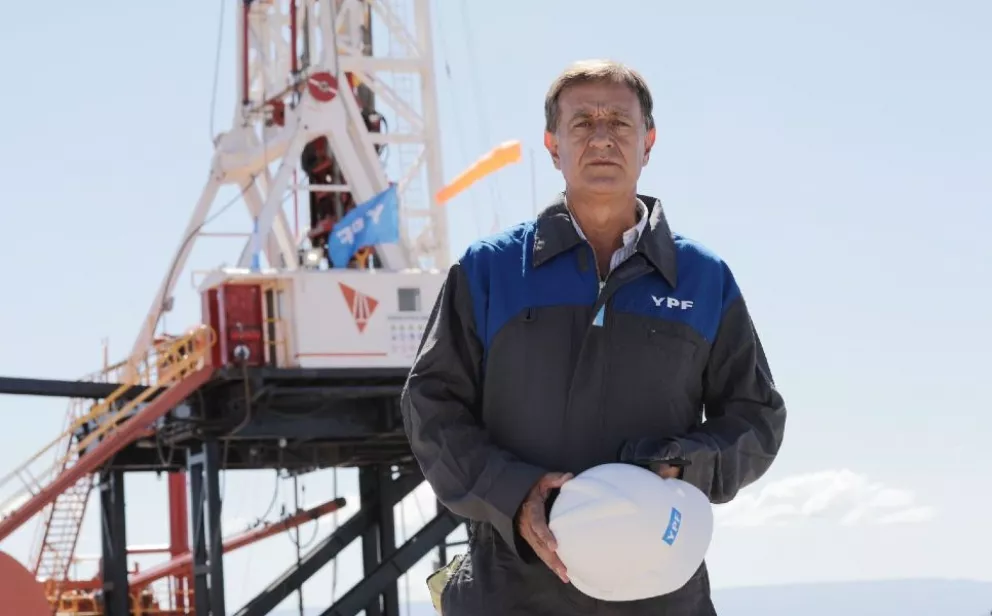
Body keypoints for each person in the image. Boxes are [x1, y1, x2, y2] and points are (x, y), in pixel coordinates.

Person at [401, 59, 787, 615]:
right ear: (552, 145)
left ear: (648, 142)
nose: (602, 138)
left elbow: (757, 417)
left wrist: (684, 464)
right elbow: (430, 406)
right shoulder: (490, 270)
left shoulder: (704, 279)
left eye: (620, 123)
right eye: (582, 122)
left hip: (661, 595)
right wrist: (514, 494)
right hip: (511, 593)